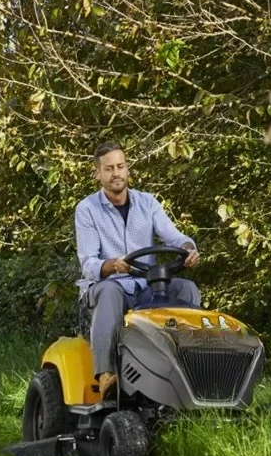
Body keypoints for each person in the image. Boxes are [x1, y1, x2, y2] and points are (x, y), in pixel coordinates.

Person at [75, 141, 201, 398]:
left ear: (127, 169)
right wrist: (111, 265)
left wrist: (188, 248)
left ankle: (191, 368)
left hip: (146, 288)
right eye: (108, 168)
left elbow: (174, 237)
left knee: (185, 288)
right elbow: (88, 264)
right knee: (110, 290)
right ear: (97, 173)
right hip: (108, 288)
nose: (116, 173)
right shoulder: (87, 210)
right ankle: (107, 374)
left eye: (120, 166)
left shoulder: (147, 203)